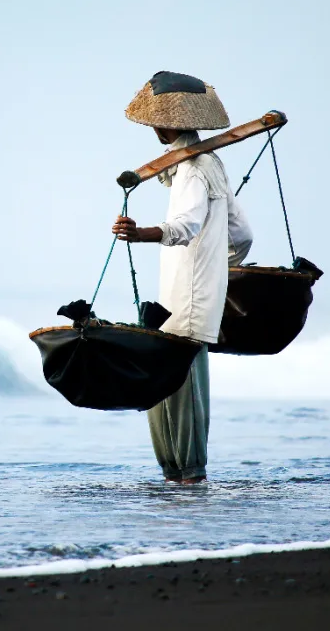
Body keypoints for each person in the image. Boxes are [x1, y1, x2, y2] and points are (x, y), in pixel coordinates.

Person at [112, 71, 253, 485]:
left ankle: (187, 479)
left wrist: (140, 234)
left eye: (157, 122)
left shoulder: (193, 169)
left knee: (180, 391)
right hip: (192, 295)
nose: (154, 129)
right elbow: (242, 235)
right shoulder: (210, 163)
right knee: (174, 385)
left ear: (170, 123)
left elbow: (185, 225)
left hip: (185, 298)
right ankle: (182, 478)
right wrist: (220, 272)